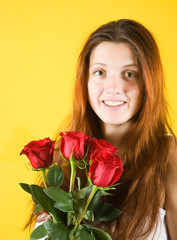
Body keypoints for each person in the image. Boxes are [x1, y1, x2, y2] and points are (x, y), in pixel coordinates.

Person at [29, 19, 177, 240]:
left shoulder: (167, 155)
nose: (114, 88)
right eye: (100, 72)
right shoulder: (63, 157)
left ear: (149, 83)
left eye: (130, 74)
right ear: (85, 80)